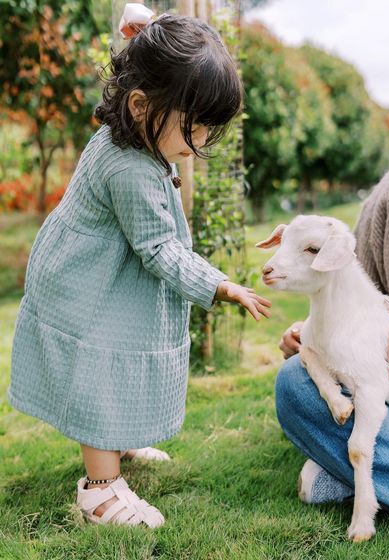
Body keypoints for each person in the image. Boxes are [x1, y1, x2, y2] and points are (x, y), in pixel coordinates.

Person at [7, 7, 271, 528]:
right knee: (102, 366)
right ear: (140, 105)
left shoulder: (132, 136)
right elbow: (159, 249)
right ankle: (100, 492)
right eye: (191, 128)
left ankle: (121, 442)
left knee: (120, 355)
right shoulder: (130, 167)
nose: (196, 145)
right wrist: (219, 284)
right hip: (85, 285)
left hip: (99, 272)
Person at [275, 158, 389, 522]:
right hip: (386, 390)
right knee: (295, 382)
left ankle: (355, 474)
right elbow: (348, 291)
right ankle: (377, 473)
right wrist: (314, 333)